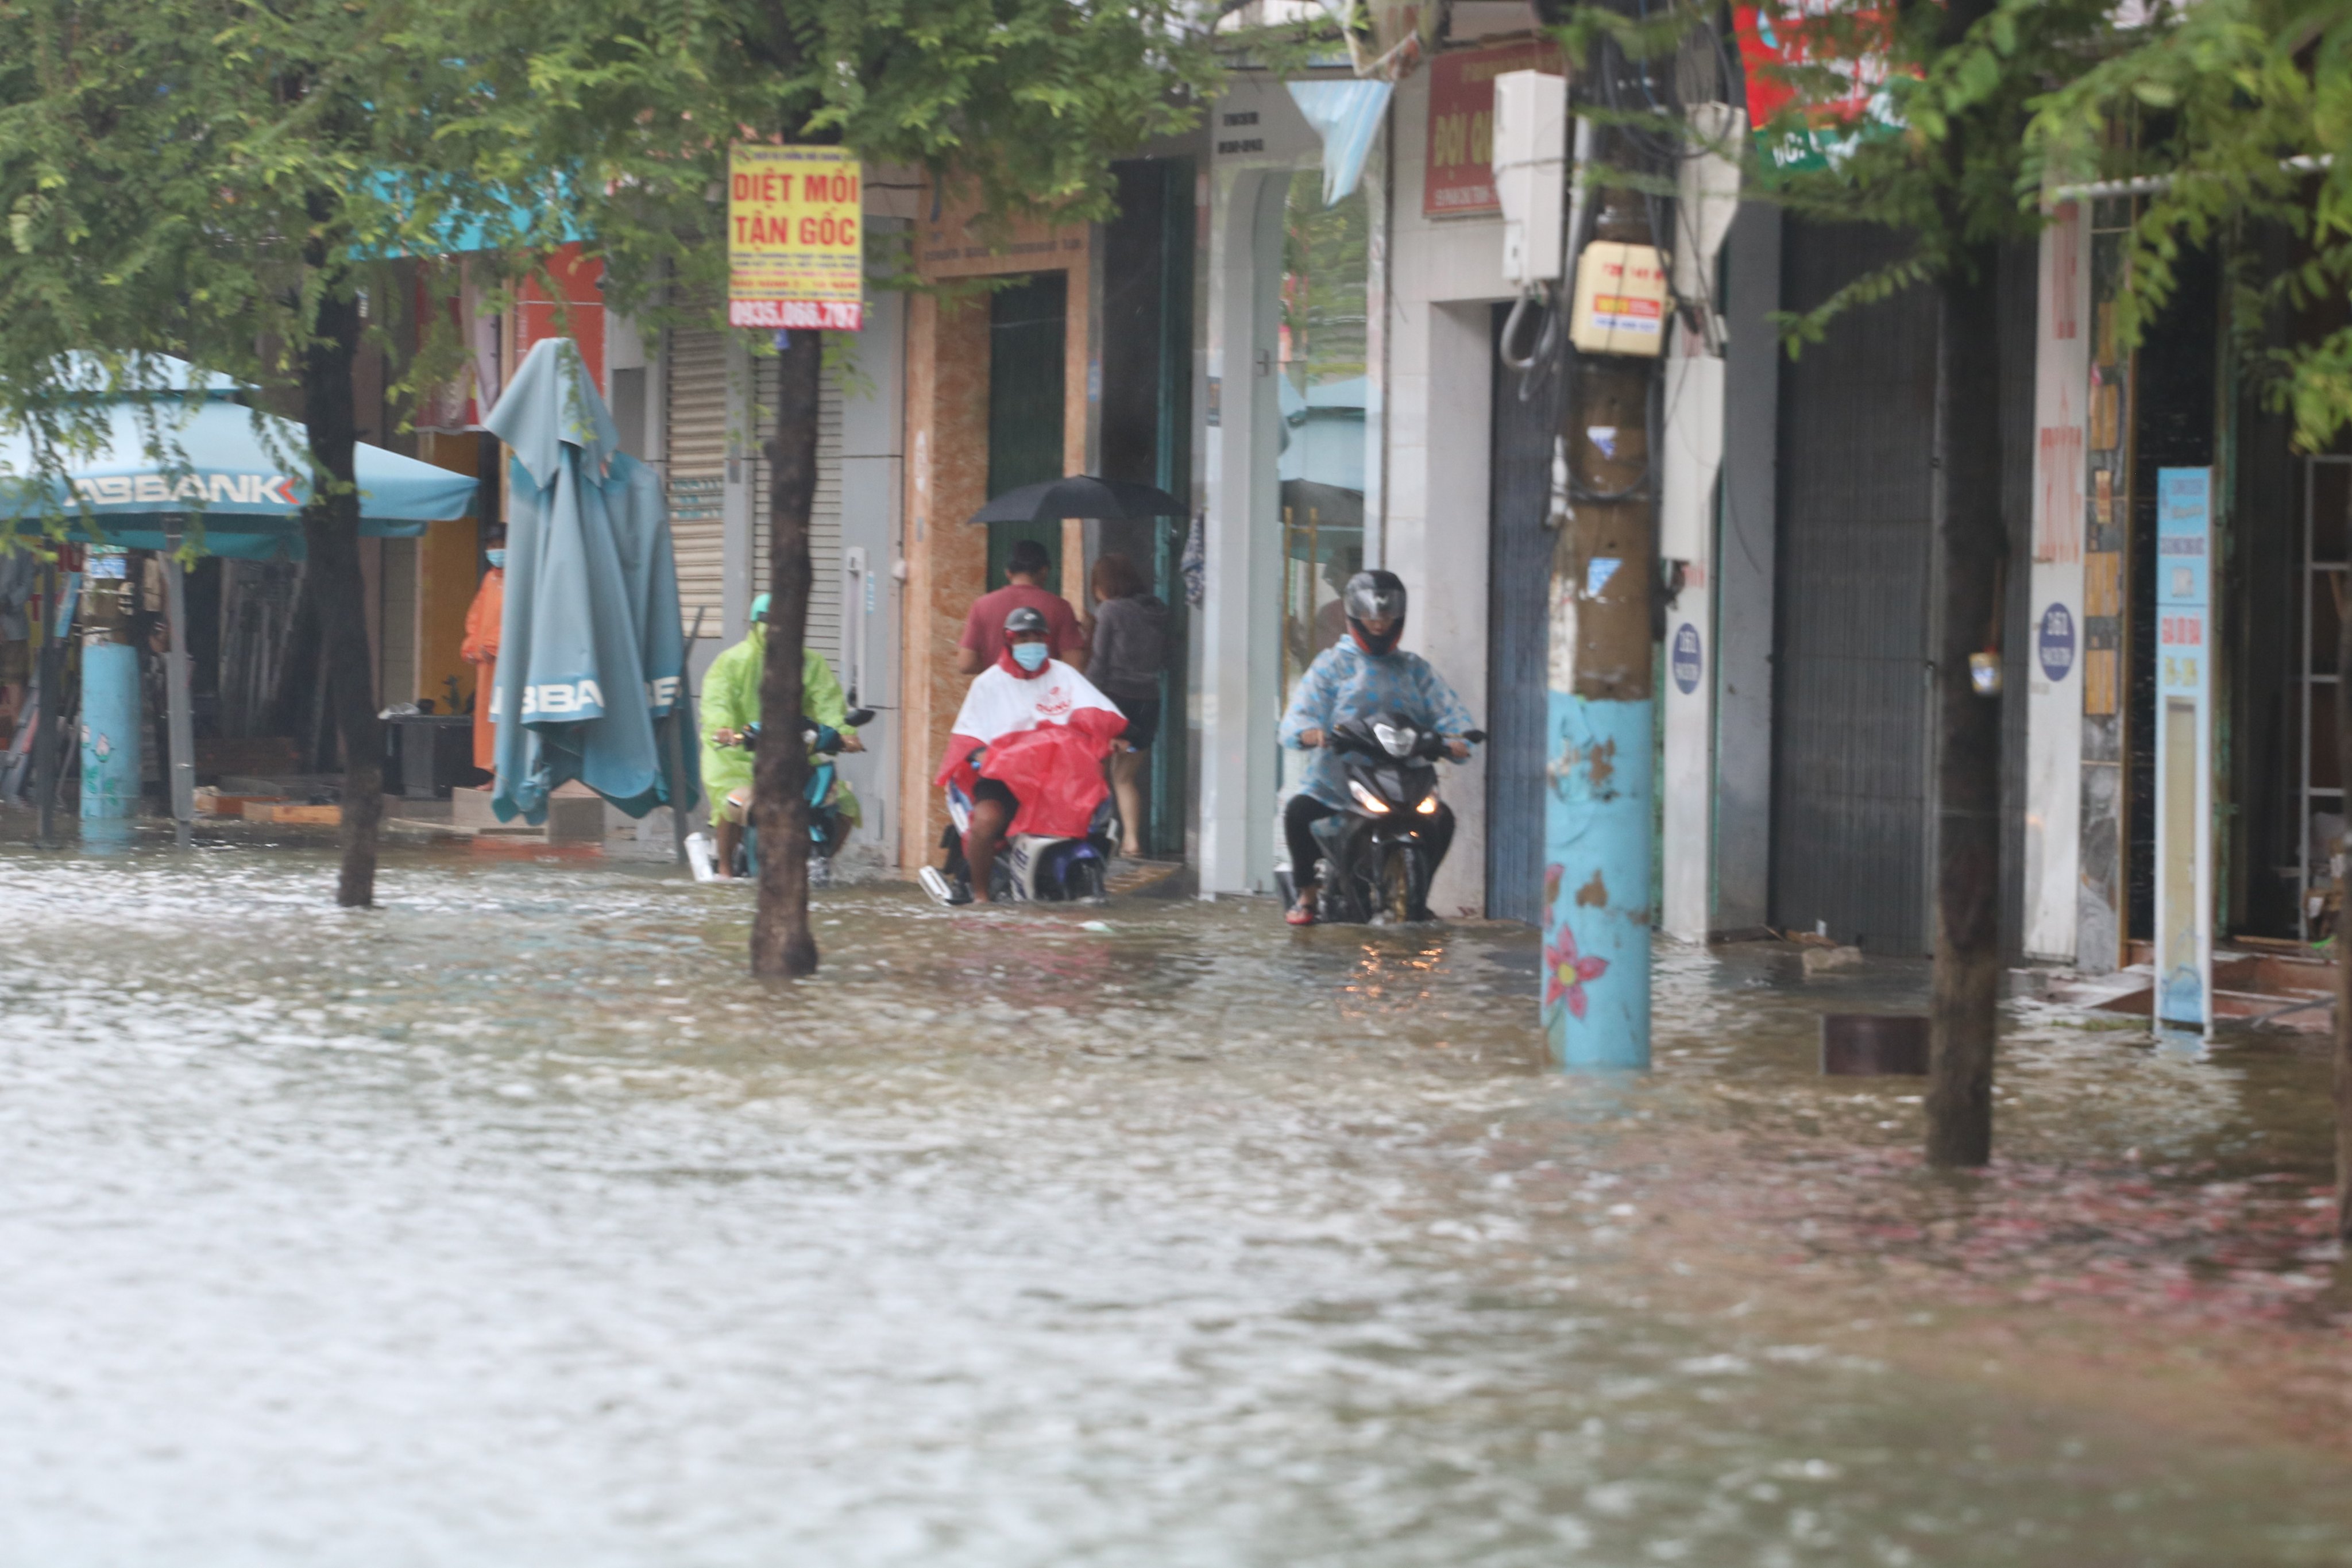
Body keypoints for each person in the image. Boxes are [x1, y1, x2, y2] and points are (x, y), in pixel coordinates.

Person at [1277, 570, 1476, 926]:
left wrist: (1457, 739)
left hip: (1407, 772)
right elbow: (1301, 712)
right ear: (1355, 616)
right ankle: (1306, 896)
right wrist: (1309, 732)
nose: (1379, 623)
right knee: (1298, 813)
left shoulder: (1414, 669)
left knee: (1442, 819)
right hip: (1340, 779)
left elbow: (1447, 709)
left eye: (1386, 616)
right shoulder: (1333, 665)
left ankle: (1419, 894)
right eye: (1371, 616)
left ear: (1398, 616)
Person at [939, 605, 1125, 903]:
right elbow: (969, 737)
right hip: (1005, 778)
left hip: (1058, 779)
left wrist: (1112, 737)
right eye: (1023, 638)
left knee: (1096, 816)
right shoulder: (988, 684)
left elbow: (1096, 714)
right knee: (986, 823)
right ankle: (981, 895)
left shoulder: (1064, 676)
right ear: (1009, 640)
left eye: (1037, 637)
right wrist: (985, 755)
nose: (1031, 644)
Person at [700, 592, 861, 879]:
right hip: (736, 755)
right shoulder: (731, 662)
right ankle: (724, 871)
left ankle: (822, 862)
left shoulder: (810, 663)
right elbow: (717, 701)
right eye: (769, 622)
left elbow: (828, 702)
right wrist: (723, 728)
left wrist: (845, 734)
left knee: (844, 805)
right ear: (754, 625)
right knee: (732, 805)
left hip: (796, 756)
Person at [1085, 551, 1173, 858]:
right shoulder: (1158, 613)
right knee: (1124, 777)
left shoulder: (1110, 611)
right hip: (1149, 702)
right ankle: (1132, 841)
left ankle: (1091, 836)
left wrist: (1087, 699)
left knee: (1095, 771)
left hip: (1114, 701)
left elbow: (1099, 662)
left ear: (1103, 585)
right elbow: (1165, 659)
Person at [956, 538, 1088, 675]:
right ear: (1044, 571)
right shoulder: (1060, 607)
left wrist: (997, 670)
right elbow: (1075, 664)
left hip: (999, 693)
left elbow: (966, 664)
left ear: (1008, 572)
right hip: (1044, 693)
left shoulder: (981, 606)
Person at [459, 532, 505, 773]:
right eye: (491, 546)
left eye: (501, 546)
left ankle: (505, 773)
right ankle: (492, 771)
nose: (496, 551)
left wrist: (493, 643)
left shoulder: (519, 577)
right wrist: (471, 645)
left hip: (506, 661)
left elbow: (518, 616)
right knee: (486, 715)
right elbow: (476, 616)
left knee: (504, 716)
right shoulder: (489, 579)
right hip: (486, 663)